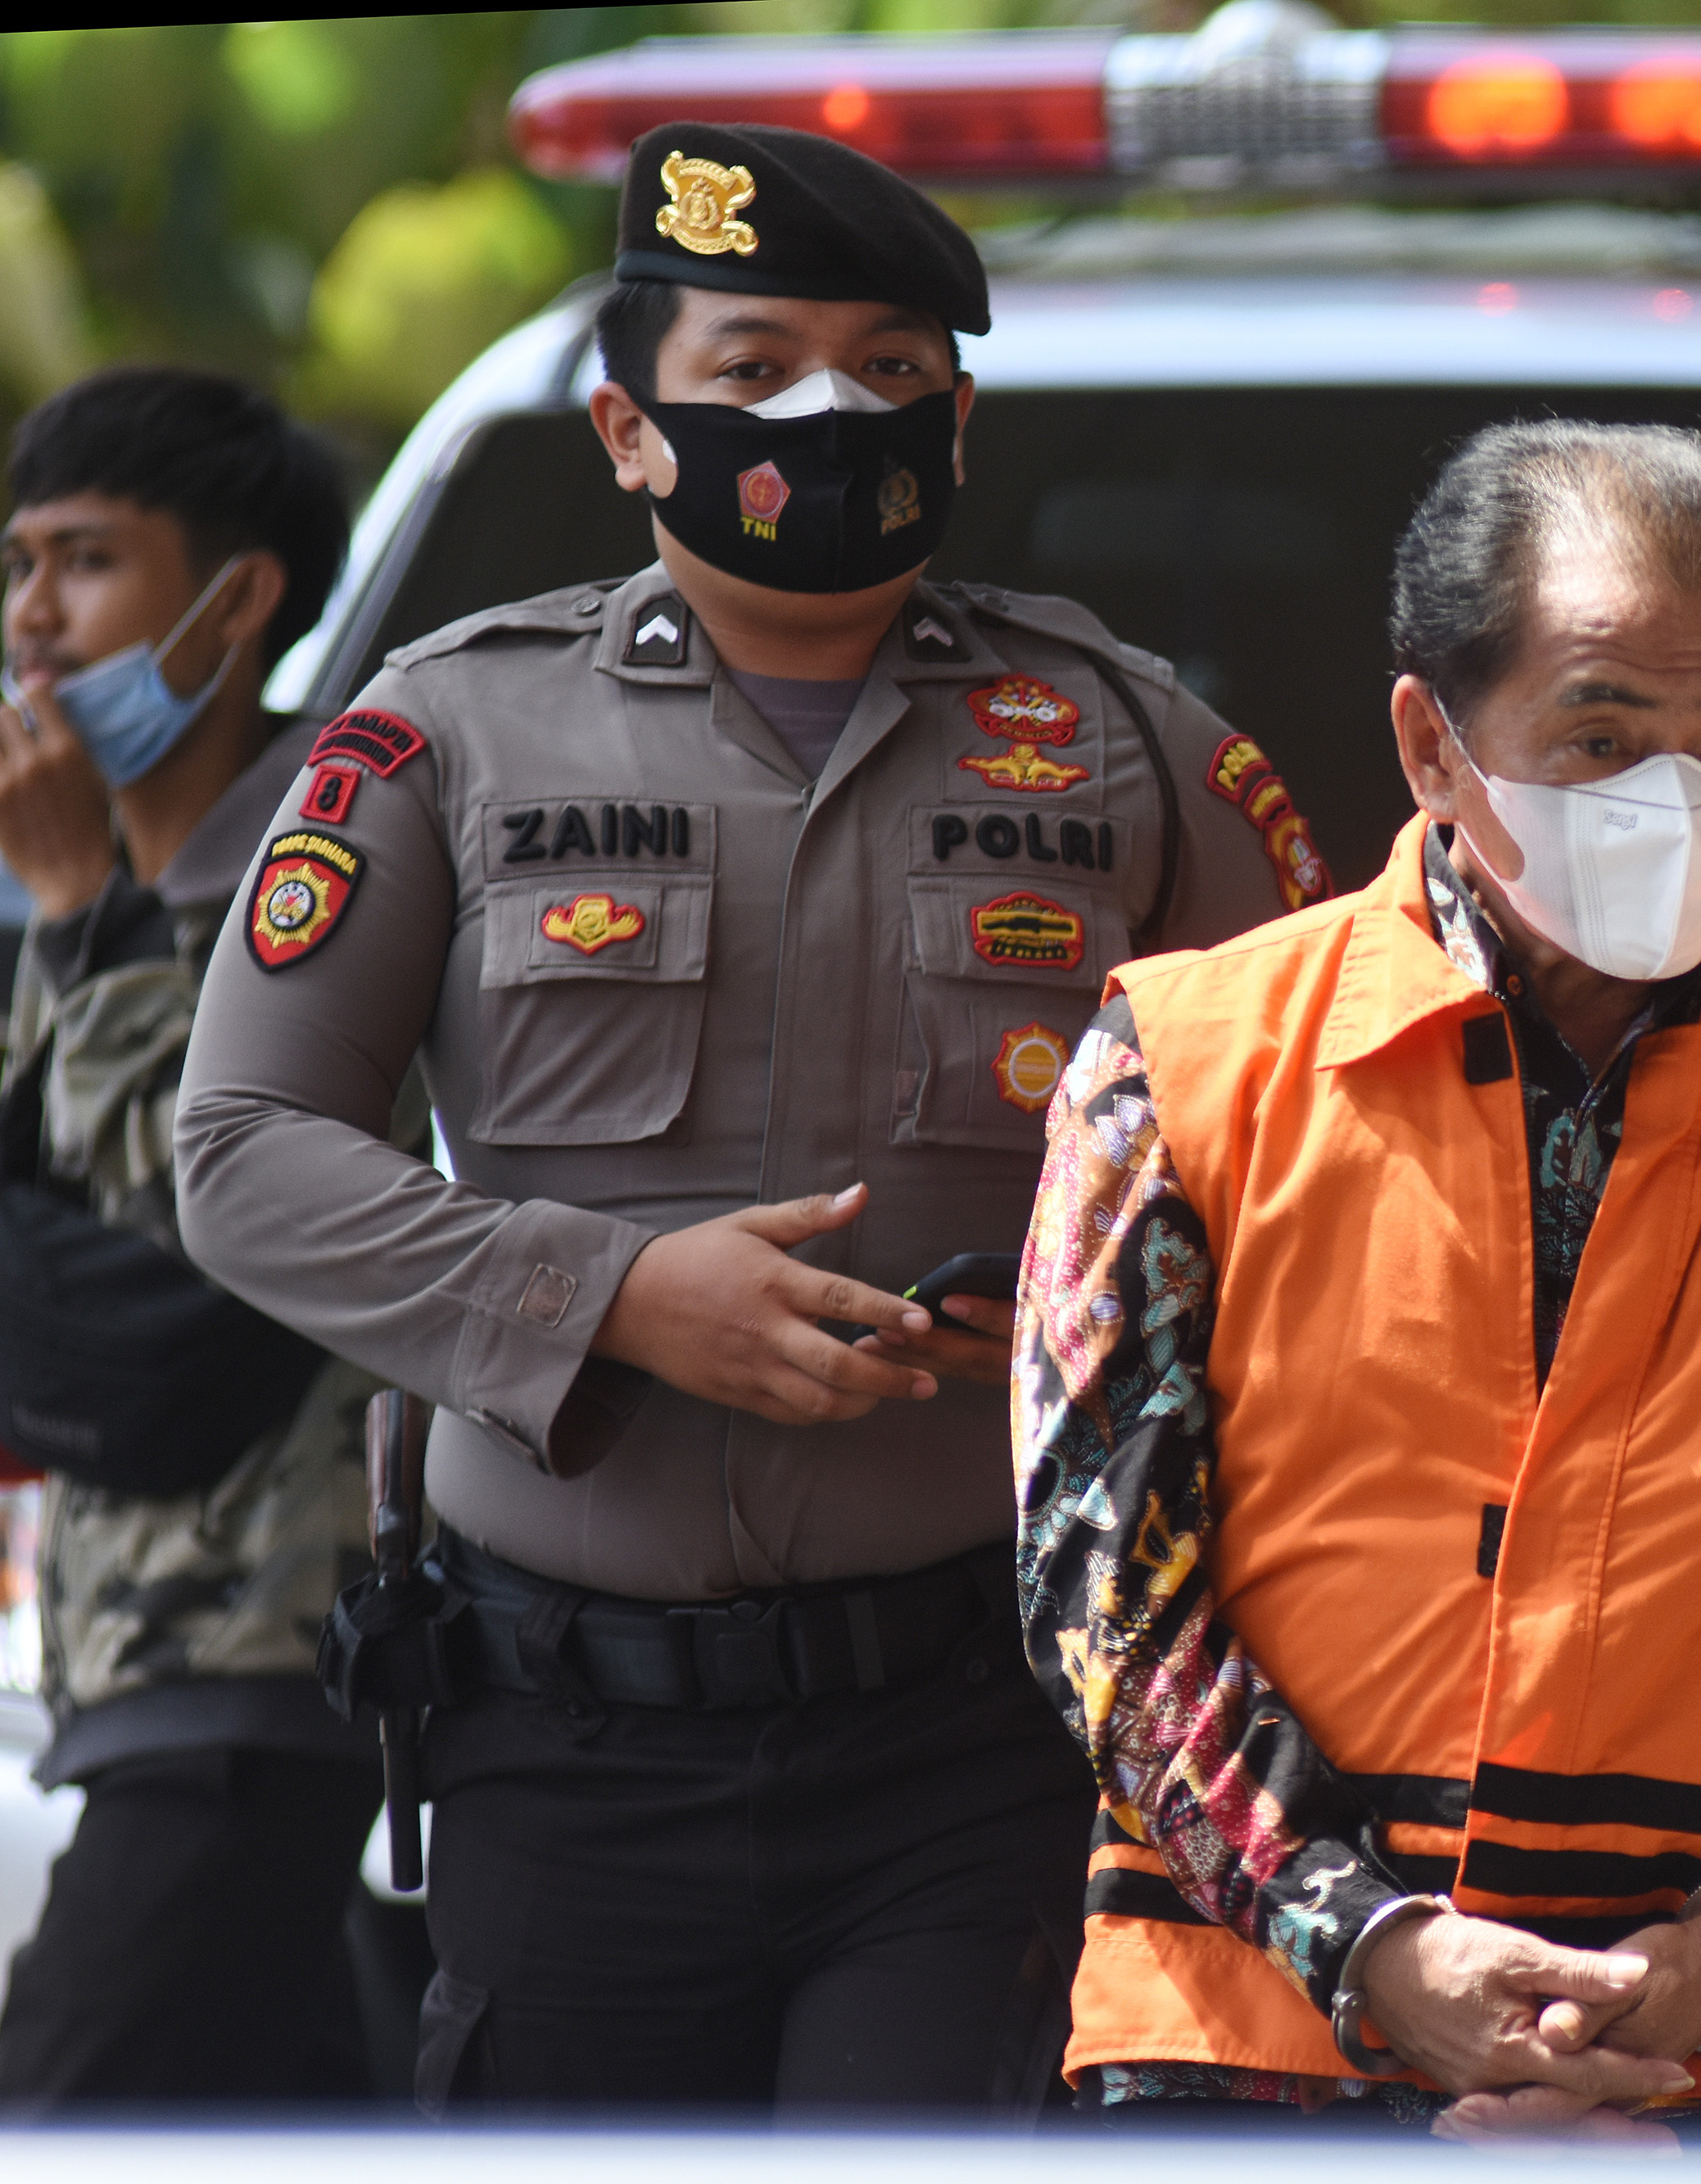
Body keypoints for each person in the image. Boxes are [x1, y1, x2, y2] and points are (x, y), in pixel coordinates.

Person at [172, 122, 1304, 2117]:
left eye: (887, 370)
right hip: (558, 1739)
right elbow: (244, 1151)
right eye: (755, 362)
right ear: (625, 430)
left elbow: (1323, 1158)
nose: (827, 413)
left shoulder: (1128, 742)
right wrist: (607, 1295)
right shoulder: (440, 737)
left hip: (974, 1736)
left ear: (952, 425)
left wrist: (1090, 1320)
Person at [1011, 421, 1701, 2143]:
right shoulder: (1188, 1065)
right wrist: (1375, 1948)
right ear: (1433, 743)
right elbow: (1105, 1601)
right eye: (1600, 735)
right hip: (1251, 2053)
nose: (1679, 793)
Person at [0, 366, 383, 2109]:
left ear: (237, 604)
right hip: (125, 1674)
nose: (29, 619)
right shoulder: (72, 896)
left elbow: (229, 1221)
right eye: (16, 562)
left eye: (85, 562)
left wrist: (85, 914)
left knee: (68, 2115)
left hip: (264, 1677)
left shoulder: (342, 871)